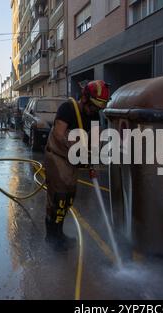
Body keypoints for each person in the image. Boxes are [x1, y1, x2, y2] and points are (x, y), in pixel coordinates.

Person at [44, 80, 110, 251]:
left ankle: (58, 233)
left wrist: (92, 160)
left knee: (69, 197)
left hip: (72, 159)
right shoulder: (67, 108)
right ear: (85, 98)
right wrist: (77, 150)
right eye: (93, 106)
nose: (95, 110)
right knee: (59, 196)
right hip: (57, 156)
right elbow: (59, 134)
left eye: (98, 108)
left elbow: (94, 141)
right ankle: (52, 237)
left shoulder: (94, 115)